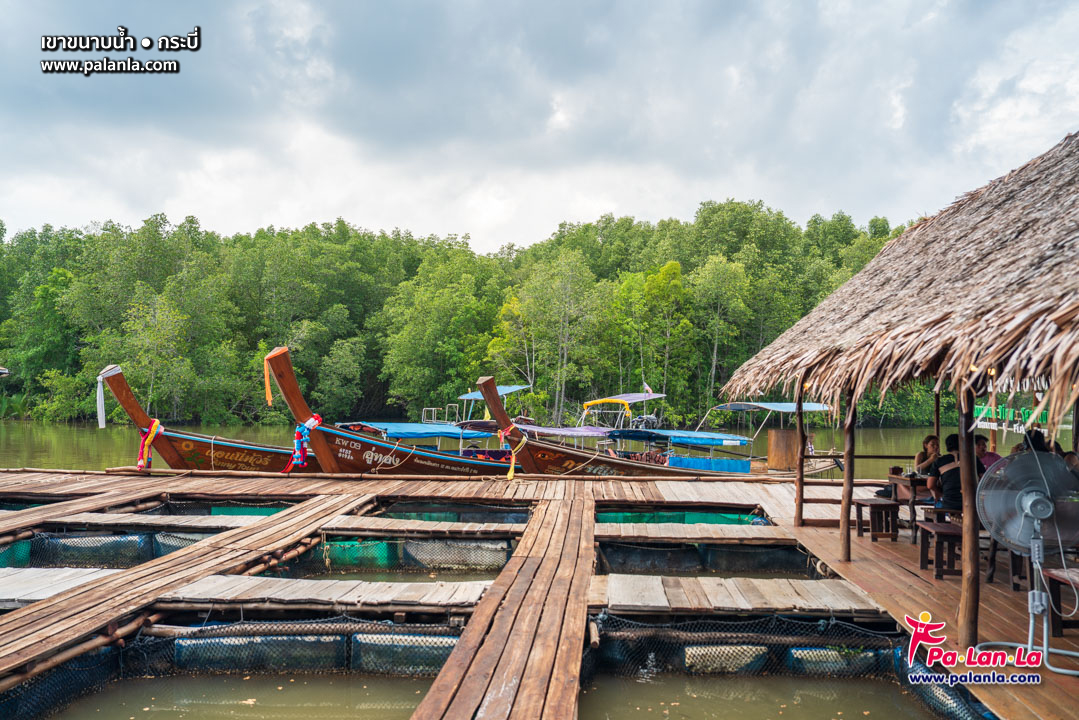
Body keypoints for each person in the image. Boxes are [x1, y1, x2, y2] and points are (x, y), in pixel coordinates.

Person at [927, 434, 986, 510]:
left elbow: (930, 485)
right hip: (971, 503)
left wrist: (941, 494)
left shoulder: (939, 461)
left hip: (949, 504)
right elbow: (984, 480)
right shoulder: (973, 459)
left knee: (937, 503)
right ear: (962, 444)